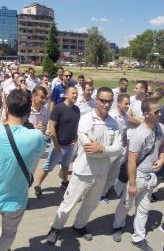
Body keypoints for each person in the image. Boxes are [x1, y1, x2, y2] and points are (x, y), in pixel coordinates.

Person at [46, 87, 121, 244]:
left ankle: (79, 225)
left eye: (109, 101)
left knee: (91, 204)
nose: (106, 105)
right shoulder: (86, 119)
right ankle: (55, 228)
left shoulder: (114, 124)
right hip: (83, 172)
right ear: (97, 100)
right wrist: (107, 151)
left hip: (101, 173)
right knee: (69, 203)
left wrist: (102, 148)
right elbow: (89, 150)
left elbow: (118, 149)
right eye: (103, 101)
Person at [0, 89, 46, 251]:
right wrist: (37, 131)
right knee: (9, 233)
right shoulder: (36, 136)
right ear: (28, 112)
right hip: (16, 200)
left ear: (6, 109)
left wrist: (2, 123)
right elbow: (40, 152)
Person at [111, 98, 164, 250]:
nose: (159, 114)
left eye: (159, 110)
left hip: (151, 176)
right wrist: (132, 184)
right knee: (126, 204)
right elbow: (131, 161)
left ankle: (138, 238)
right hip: (138, 175)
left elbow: (162, 148)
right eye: (156, 112)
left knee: (143, 208)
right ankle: (117, 226)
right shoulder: (138, 135)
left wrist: (161, 159)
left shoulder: (160, 128)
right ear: (146, 114)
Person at [34, 86, 80, 197]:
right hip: (58, 146)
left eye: (76, 93)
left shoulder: (76, 109)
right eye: (73, 93)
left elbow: (75, 125)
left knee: (66, 165)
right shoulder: (59, 108)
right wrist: (56, 145)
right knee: (48, 166)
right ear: (66, 95)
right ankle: (38, 185)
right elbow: (51, 127)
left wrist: (75, 138)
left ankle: (64, 181)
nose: (75, 95)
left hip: (70, 145)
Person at [100, 93, 130, 202]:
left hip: (120, 150)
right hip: (109, 149)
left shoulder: (127, 117)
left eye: (129, 104)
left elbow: (125, 133)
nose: (127, 106)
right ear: (118, 103)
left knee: (114, 173)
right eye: (125, 104)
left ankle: (104, 193)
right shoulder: (111, 115)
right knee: (104, 172)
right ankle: (97, 191)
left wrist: (125, 145)